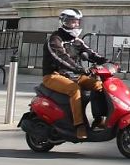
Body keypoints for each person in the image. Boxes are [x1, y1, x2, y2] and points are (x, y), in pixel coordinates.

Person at [41, 9, 105, 138]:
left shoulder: (76, 40)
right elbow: (62, 58)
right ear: (64, 23)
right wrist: (78, 68)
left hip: (74, 75)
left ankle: (99, 119)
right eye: (72, 22)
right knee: (74, 89)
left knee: (99, 86)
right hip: (54, 75)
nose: (75, 25)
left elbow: (91, 53)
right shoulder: (55, 39)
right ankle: (79, 126)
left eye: (77, 22)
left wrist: (107, 62)